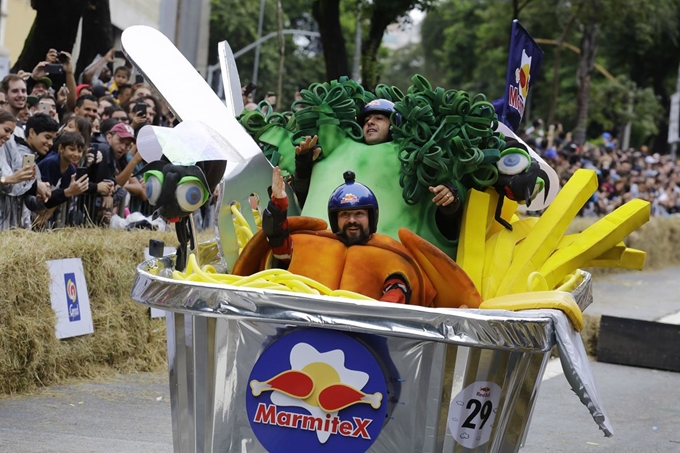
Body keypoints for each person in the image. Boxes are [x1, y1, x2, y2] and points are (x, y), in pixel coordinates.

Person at [259, 167, 435, 305]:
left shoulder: (391, 253)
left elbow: (398, 289)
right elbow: (279, 247)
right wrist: (278, 203)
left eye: (359, 214)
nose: (352, 220)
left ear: (371, 217)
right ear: (335, 219)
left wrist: (374, 318)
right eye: (344, 215)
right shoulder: (313, 242)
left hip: (362, 337)